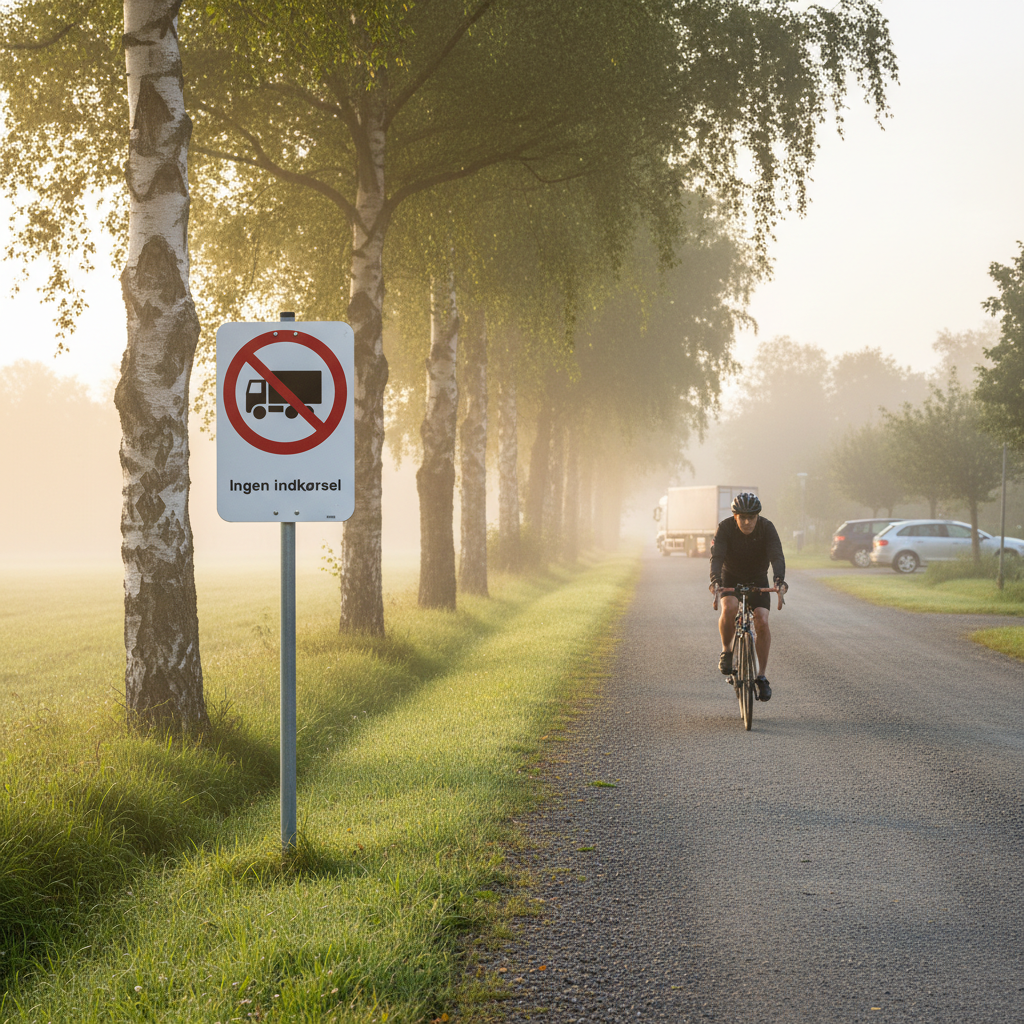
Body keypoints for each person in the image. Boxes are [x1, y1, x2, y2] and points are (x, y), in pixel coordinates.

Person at [708, 492, 788, 701]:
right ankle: (726, 651)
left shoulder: (767, 528)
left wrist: (779, 581)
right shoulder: (725, 527)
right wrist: (716, 580)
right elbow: (717, 556)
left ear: (757, 516)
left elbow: (776, 554)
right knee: (730, 607)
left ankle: (761, 676)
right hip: (731, 576)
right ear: (735, 517)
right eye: (742, 517)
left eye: (751, 517)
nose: (747, 521)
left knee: (761, 620)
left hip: (758, 578)